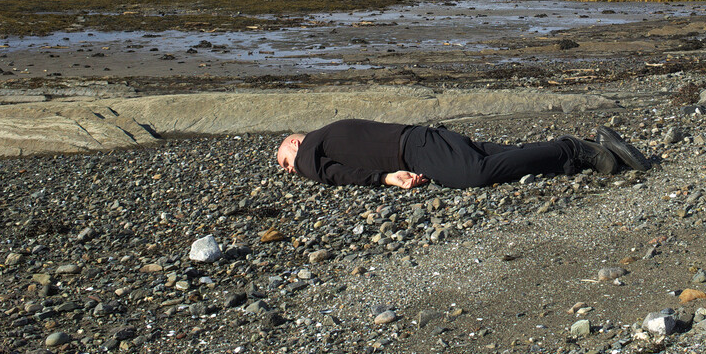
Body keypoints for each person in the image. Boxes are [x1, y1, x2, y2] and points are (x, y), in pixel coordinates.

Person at [275, 118, 651, 189]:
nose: (291, 171)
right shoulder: (333, 132)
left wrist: (385, 178)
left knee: (477, 174)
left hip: (415, 149)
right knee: (508, 157)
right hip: (425, 137)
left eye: (285, 163)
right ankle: (595, 150)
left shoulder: (309, 151)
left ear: (294, 144)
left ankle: (572, 147)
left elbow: (335, 174)